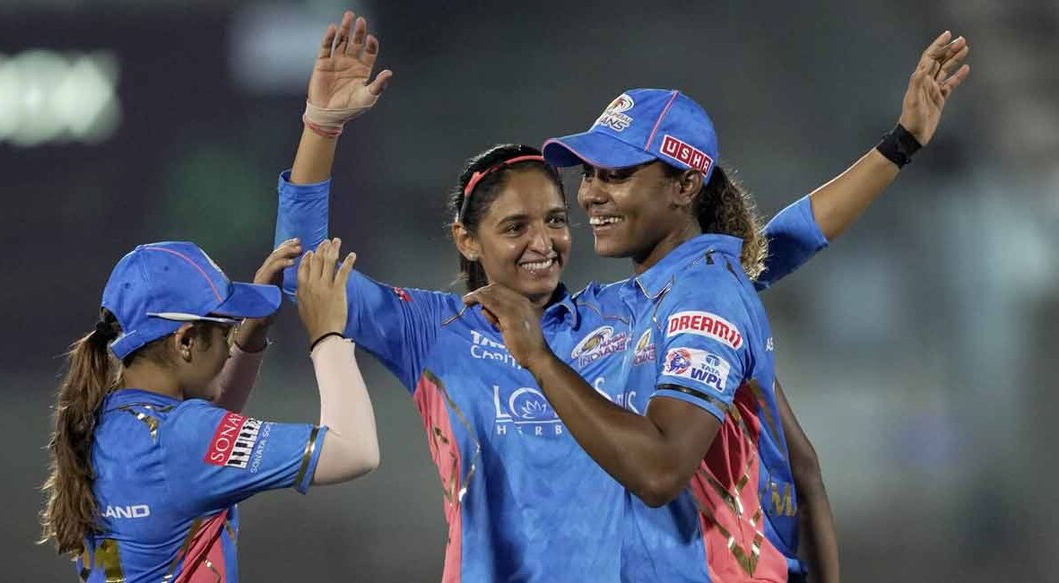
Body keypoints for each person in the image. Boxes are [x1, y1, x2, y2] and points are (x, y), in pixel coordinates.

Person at [272, 11, 931, 581]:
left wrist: (895, 149)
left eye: (556, 219)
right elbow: (303, 270)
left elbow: (763, 249)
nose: (545, 240)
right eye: (514, 227)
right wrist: (321, 129)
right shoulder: (435, 330)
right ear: (465, 241)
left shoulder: (614, 317)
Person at [466, 32, 969, 581]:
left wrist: (539, 358)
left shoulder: (704, 297)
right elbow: (789, 241)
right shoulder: (669, 290)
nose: (588, 193)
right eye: (588, 174)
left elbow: (660, 471)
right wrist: (900, 144)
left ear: (685, 186)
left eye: (616, 174)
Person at [38, 238, 379, 581]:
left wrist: (251, 333)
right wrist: (328, 334)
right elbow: (354, 450)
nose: (229, 349)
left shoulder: (101, 417)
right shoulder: (184, 436)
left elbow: (200, 443)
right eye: (225, 333)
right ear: (185, 341)